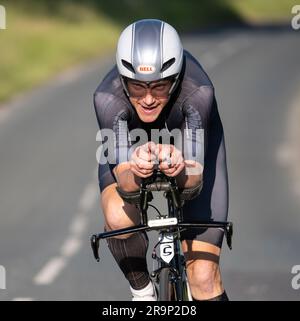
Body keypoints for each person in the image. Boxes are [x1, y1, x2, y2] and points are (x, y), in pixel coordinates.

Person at [93, 19, 229, 301]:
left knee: (203, 277)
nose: (149, 99)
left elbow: (193, 184)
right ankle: (142, 292)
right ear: (122, 79)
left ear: (176, 78)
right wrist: (134, 167)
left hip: (192, 143)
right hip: (130, 145)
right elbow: (128, 187)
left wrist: (181, 168)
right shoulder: (107, 98)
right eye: (137, 87)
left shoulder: (198, 93)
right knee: (118, 216)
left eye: (160, 86)